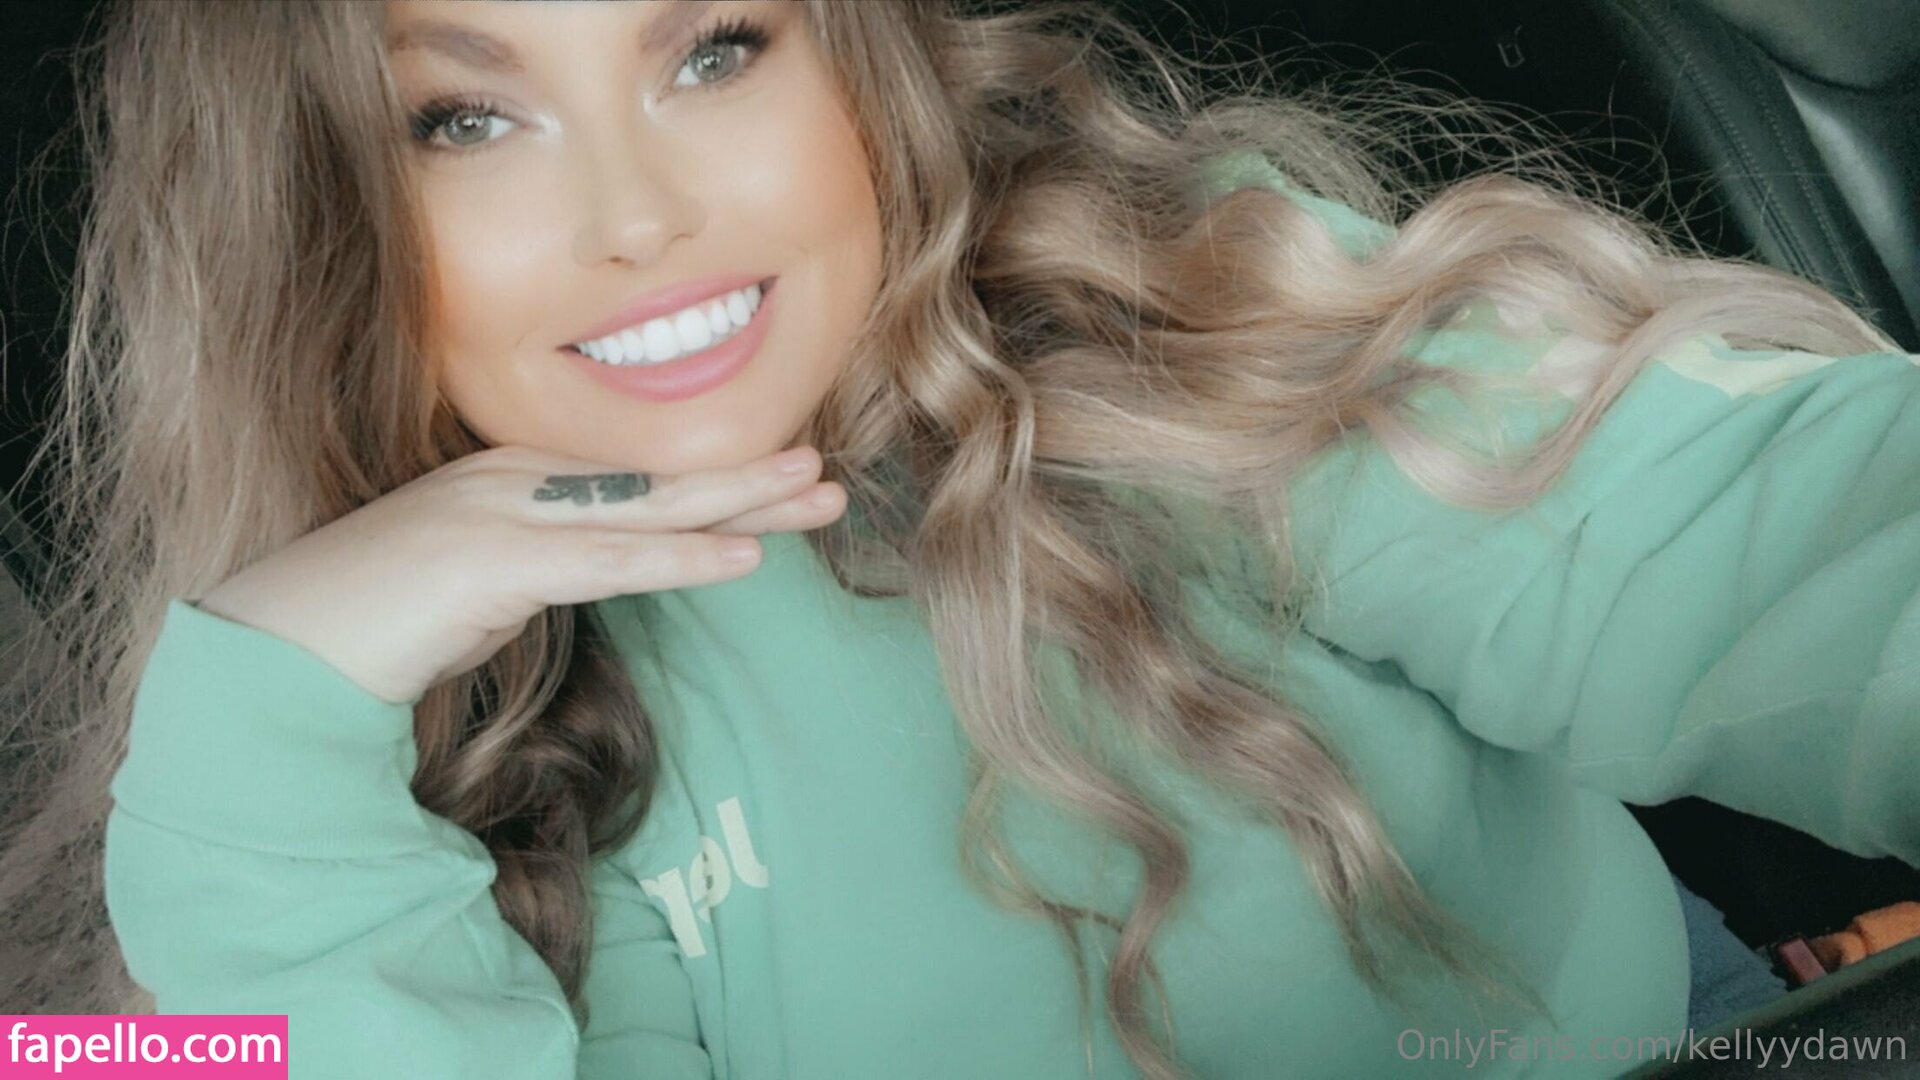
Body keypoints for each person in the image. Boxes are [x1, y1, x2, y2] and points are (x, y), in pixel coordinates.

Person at [0, 1, 1911, 1076]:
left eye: (713, 48)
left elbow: (1758, 543)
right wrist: (270, 735)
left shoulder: (1180, 324)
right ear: (318, 224)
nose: (639, 216)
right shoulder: (415, 752)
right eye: (463, 123)